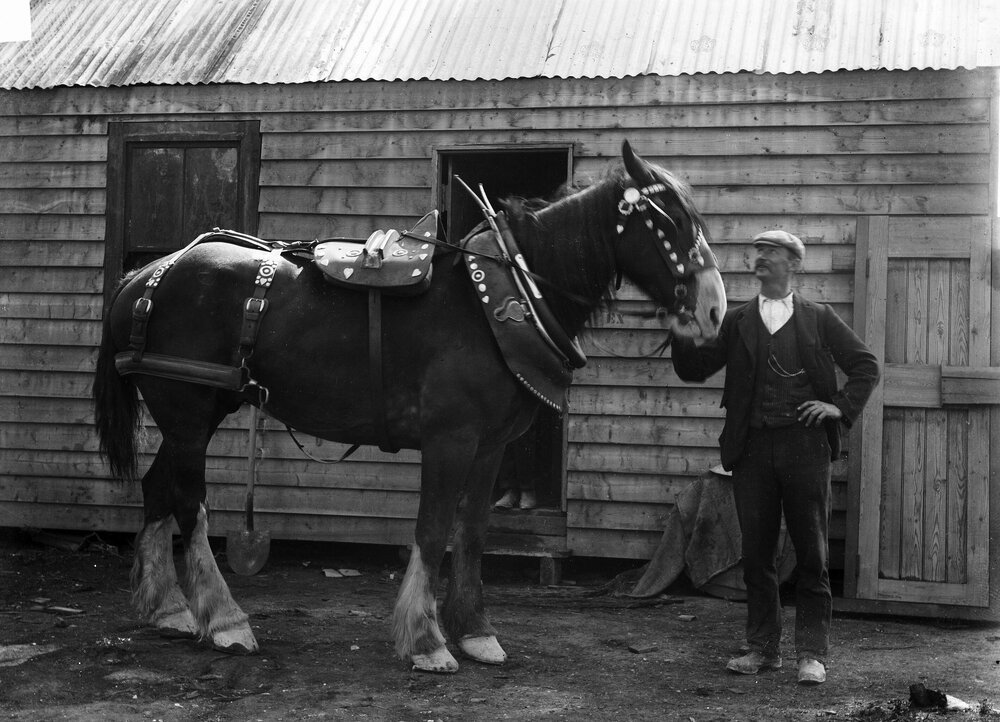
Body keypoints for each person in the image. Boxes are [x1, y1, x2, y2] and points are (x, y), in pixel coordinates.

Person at [670, 230, 879, 686]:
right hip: (752, 451)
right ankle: (762, 648)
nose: (760, 258)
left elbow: (867, 366)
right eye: (758, 251)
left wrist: (838, 407)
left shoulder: (819, 319)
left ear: (794, 264)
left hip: (806, 450)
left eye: (772, 253)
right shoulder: (739, 320)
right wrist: (682, 331)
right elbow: (694, 369)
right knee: (757, 554)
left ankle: (812, 654)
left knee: (812, 553)